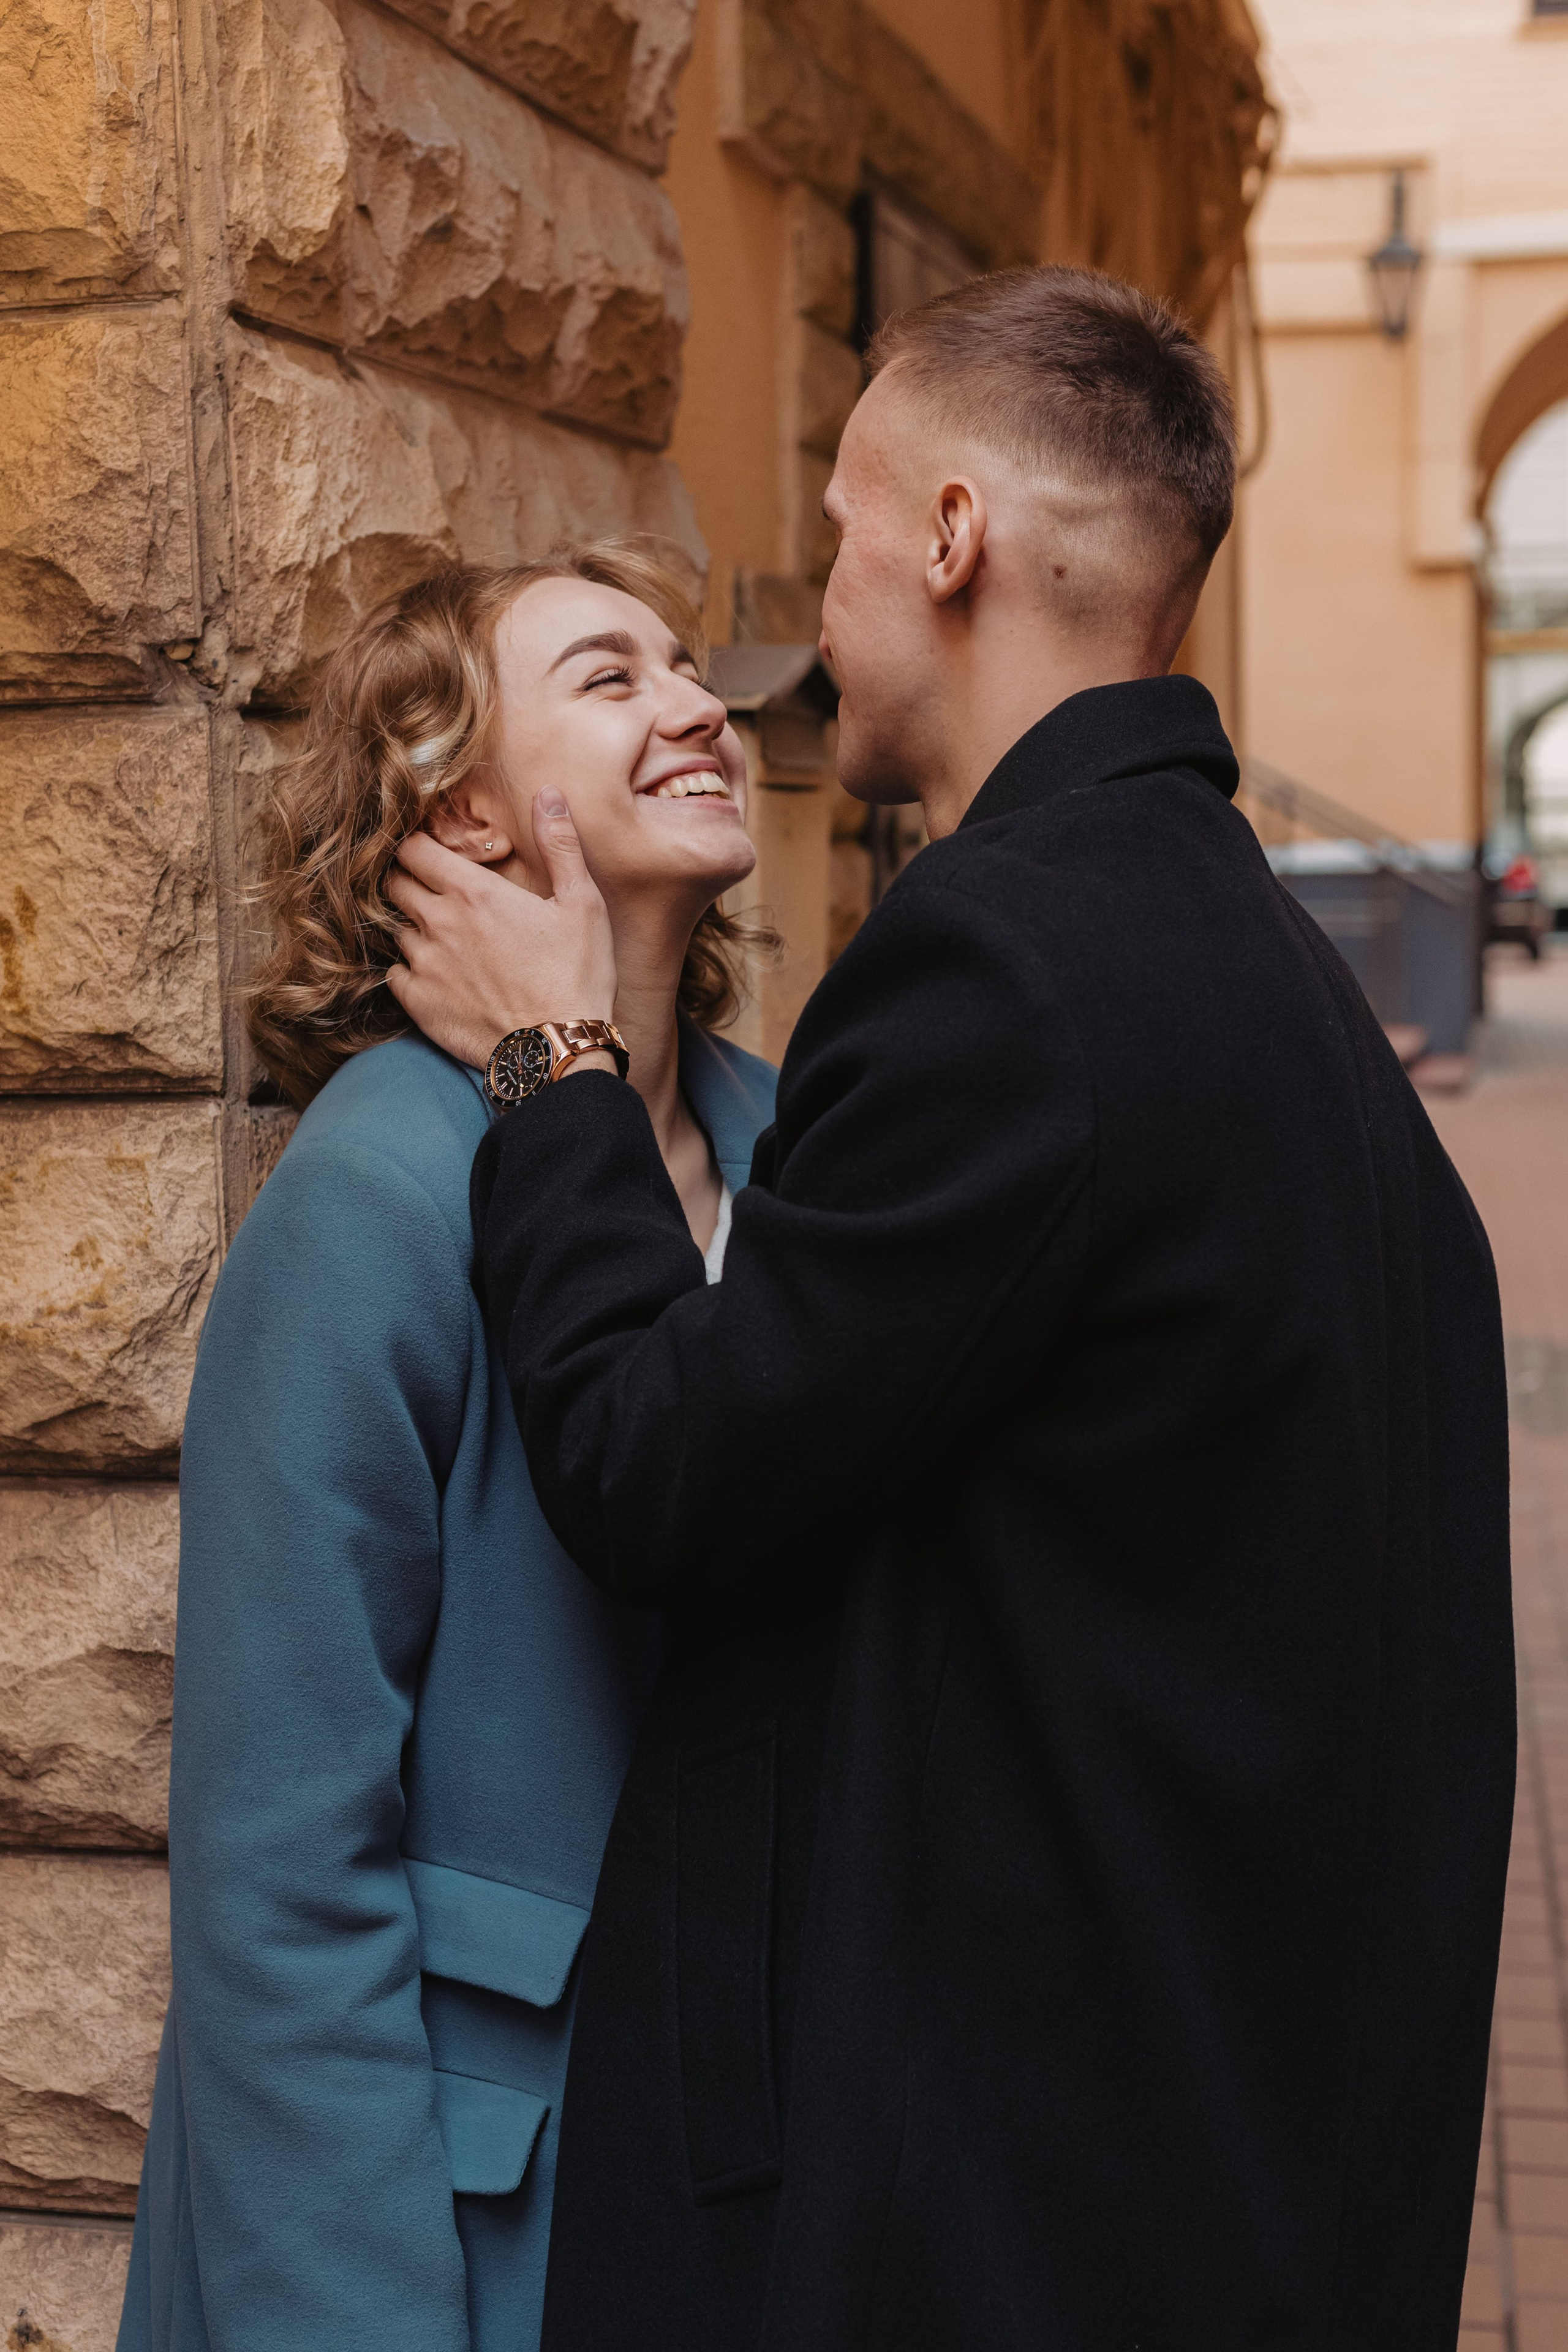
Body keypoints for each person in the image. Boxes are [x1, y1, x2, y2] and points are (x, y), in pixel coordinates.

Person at [387, 268, 1514, 2351]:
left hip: (1055, 2214)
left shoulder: (1005, 962)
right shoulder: (1288, 996)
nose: (811, 607)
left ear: (956, 536)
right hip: (1275, 2177)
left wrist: (551, 1077)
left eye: (837, 527)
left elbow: (669, 1467)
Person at [115, 546, 778, 2352]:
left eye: (688, 665)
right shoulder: (376, 1197)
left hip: (741, 2173)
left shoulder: (794, 1147)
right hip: (469, 2226)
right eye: (610, 677)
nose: (700, 704)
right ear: (464, 816)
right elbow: (279, 1880)